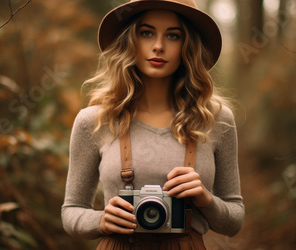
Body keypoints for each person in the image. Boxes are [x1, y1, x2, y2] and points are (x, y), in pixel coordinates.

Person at [61, 0, 244, 249]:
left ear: (187, 45)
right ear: (129, 41)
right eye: (146, 33)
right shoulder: (93, 121)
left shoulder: (216, 120)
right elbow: (71, 211)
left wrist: (205, 199)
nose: (158, 46)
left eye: (173, 35)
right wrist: (101, 220)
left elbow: (234, 221)